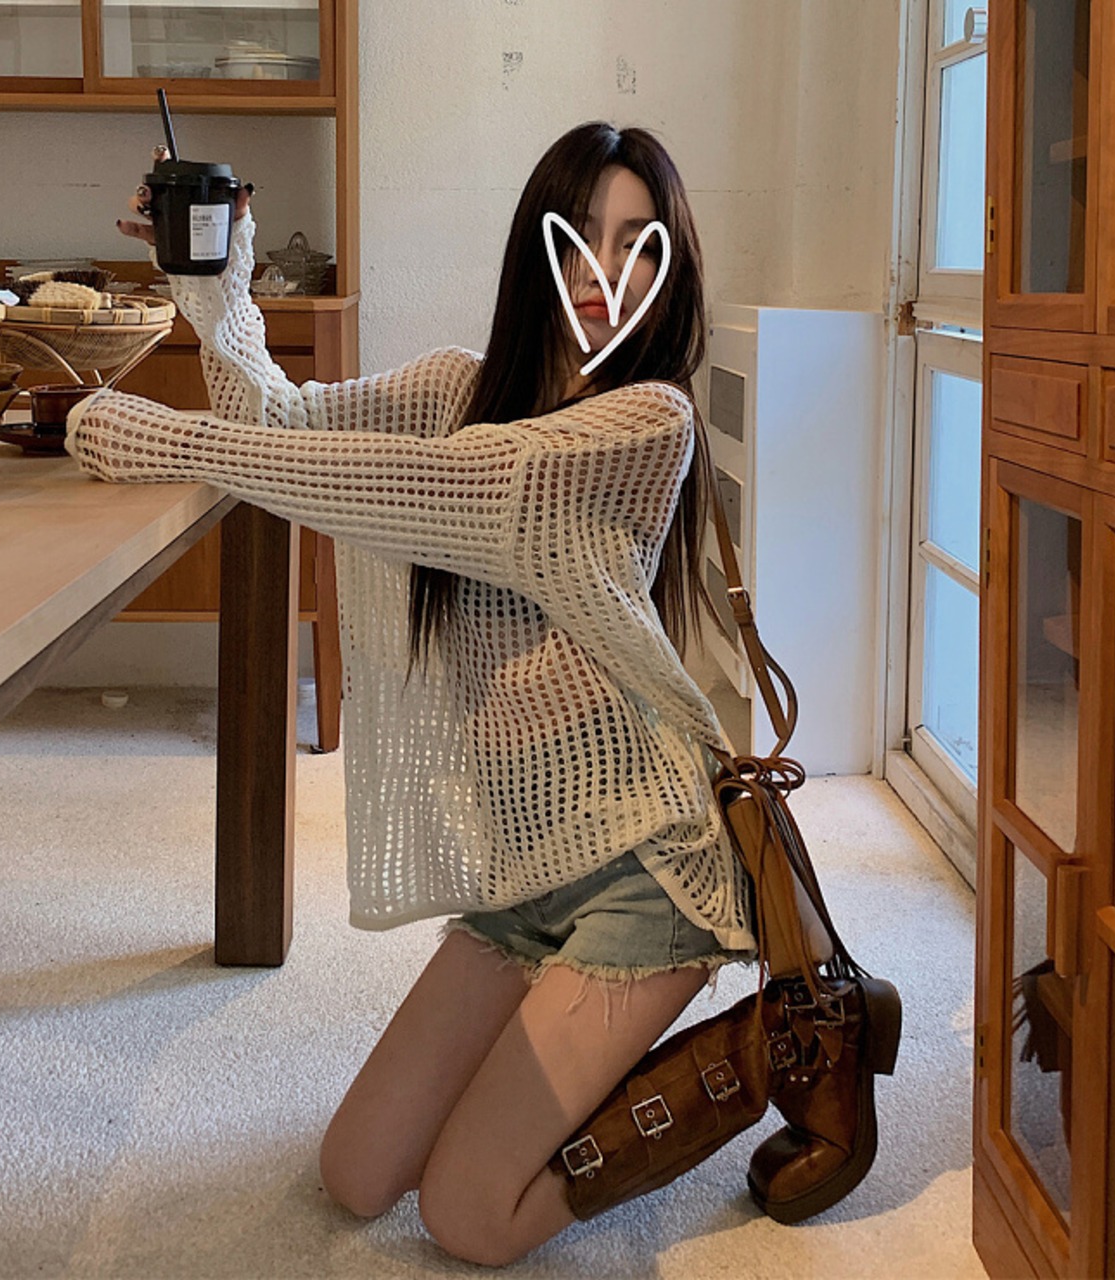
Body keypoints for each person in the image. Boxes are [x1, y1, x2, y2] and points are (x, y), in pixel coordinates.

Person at [70, 121, 759, 1265]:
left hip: (645, 867)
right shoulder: (453, 387)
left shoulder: (648, 421)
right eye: (581, 238)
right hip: (518, 871)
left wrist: (173, 442)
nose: (605, 272)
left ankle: (737, 1071)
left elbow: (455, 488)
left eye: (639, 244)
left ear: (672, 265)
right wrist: (216, 284)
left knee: (467, 1214)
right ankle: (559, 1062)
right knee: (355, 1173)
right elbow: (278, 426)